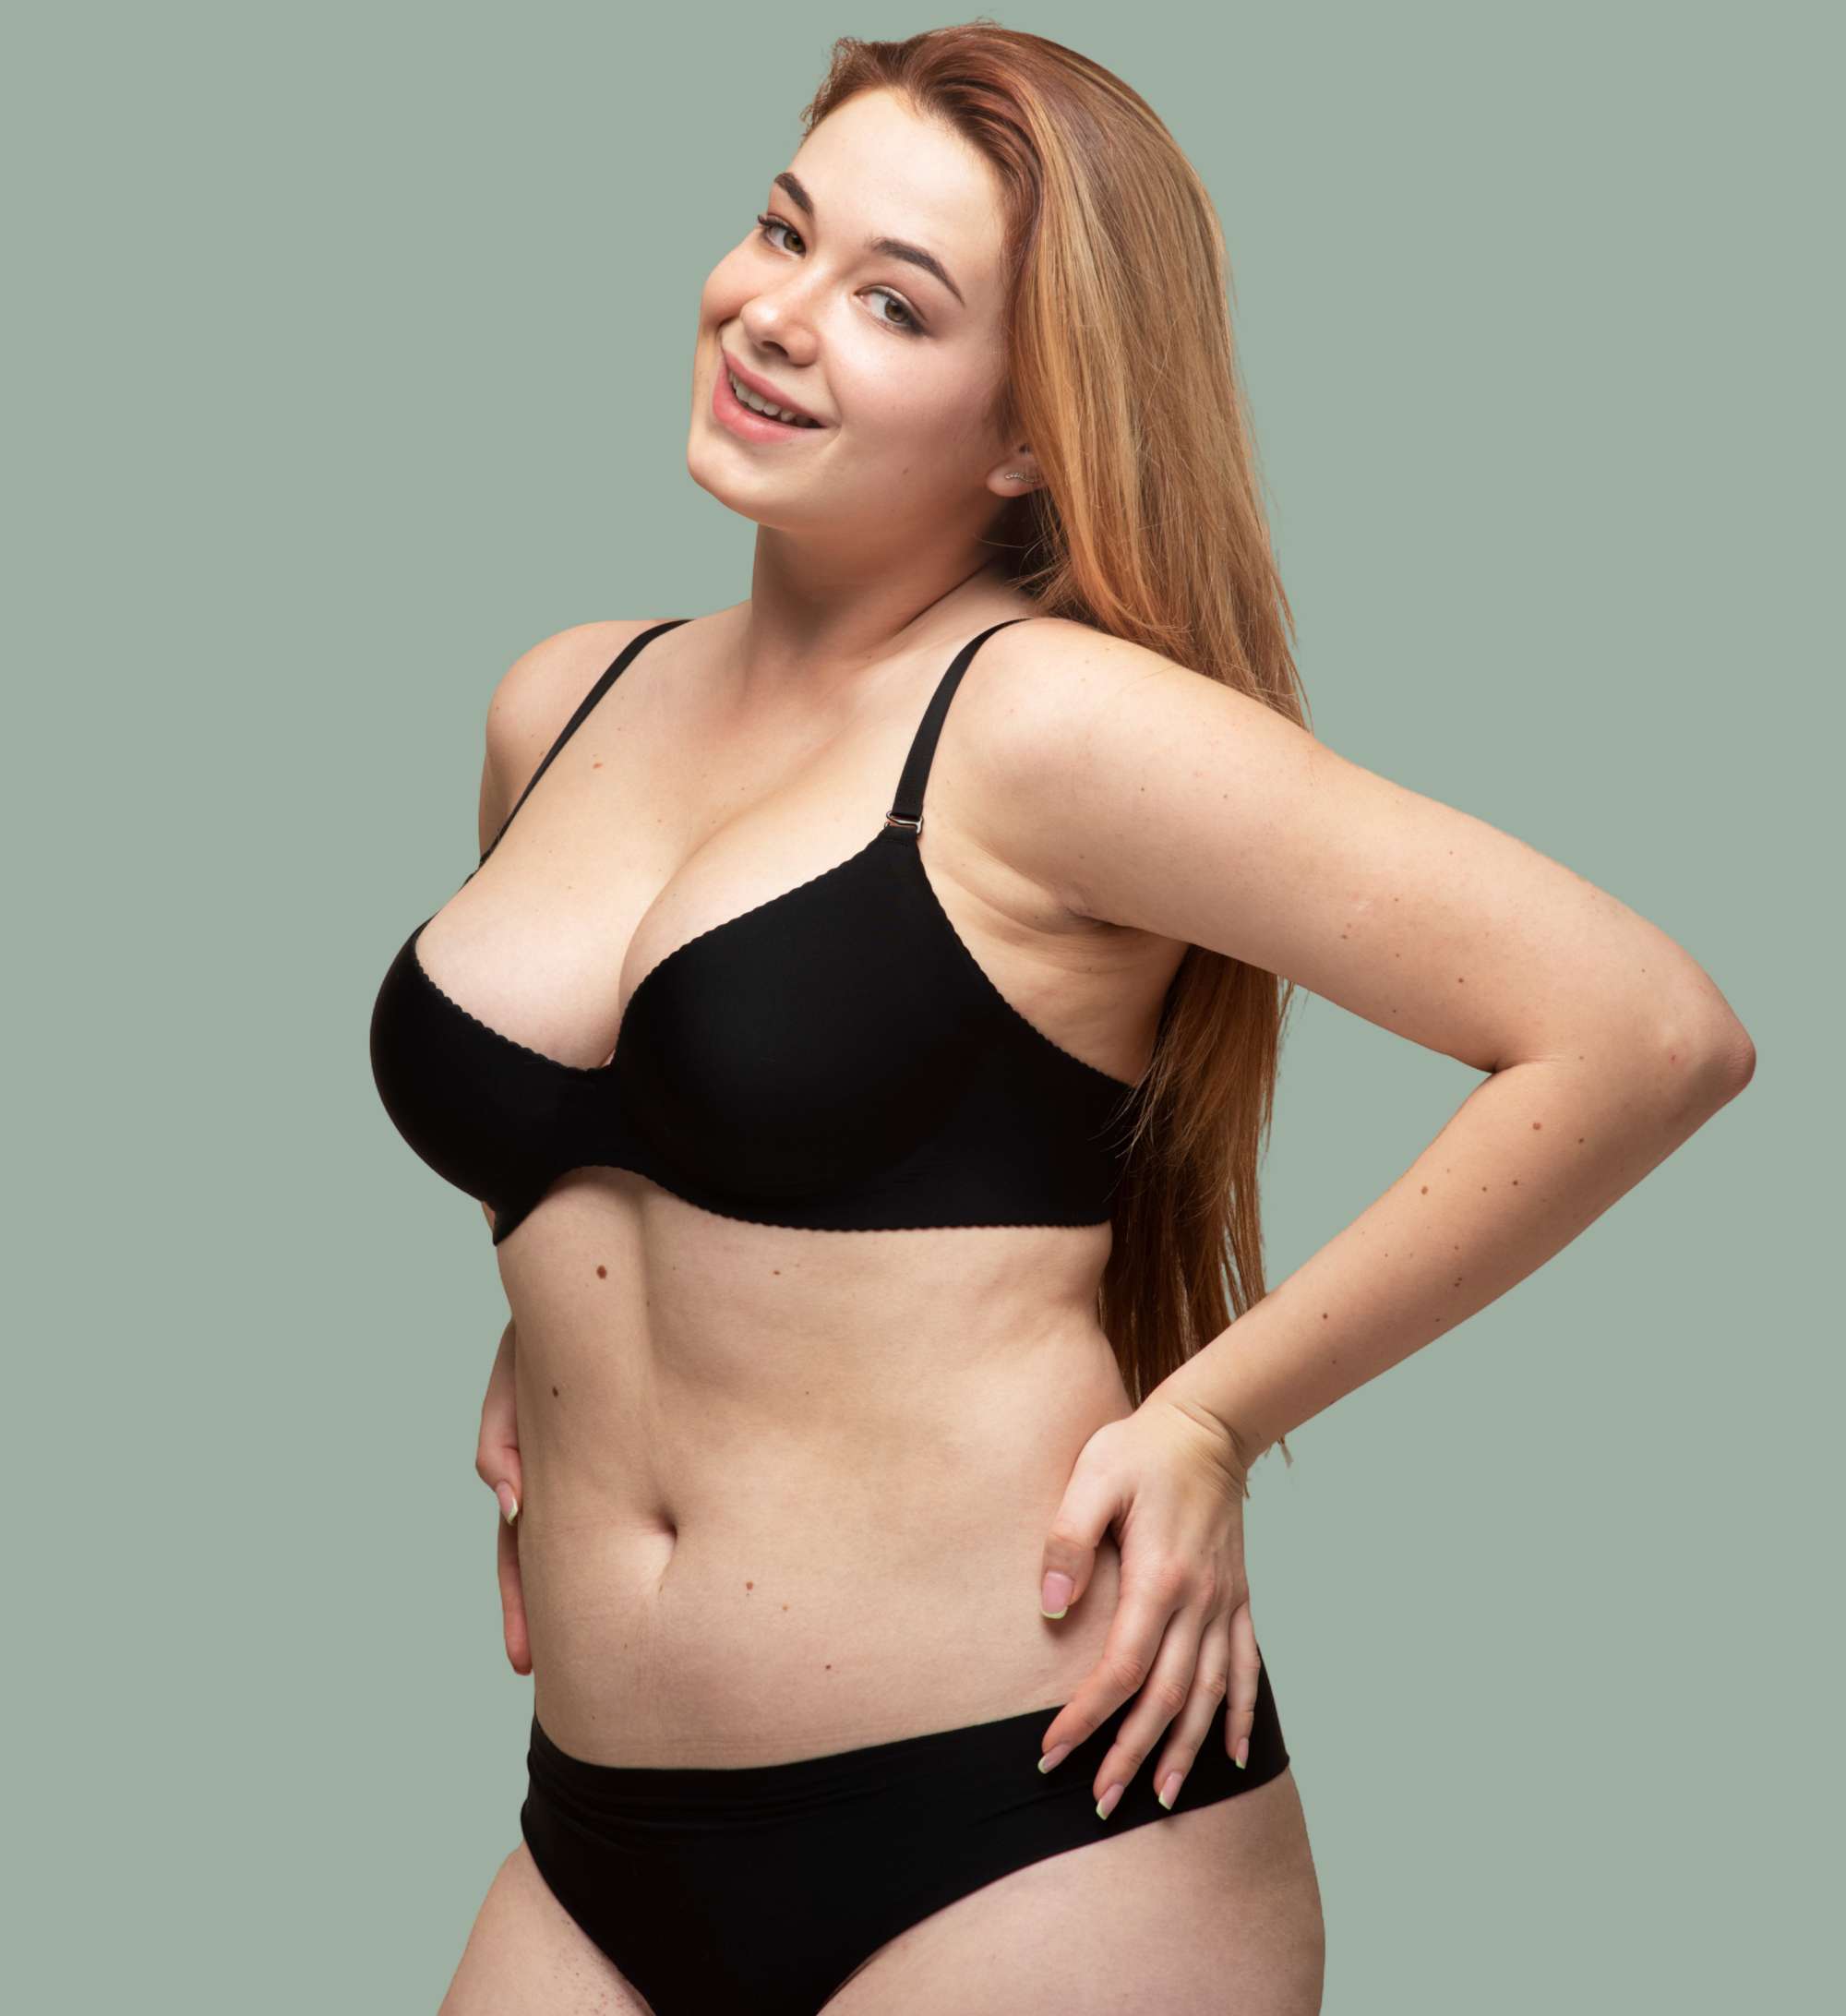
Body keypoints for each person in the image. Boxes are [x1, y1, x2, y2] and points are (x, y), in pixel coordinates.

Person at [369, 26, 1756, 2016]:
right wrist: (554, 1329)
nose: (775, 317)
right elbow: (634, 1139)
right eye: (782, 231)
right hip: (589, 1830)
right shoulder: (561, 701)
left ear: (1026, 430)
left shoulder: (1047, 730)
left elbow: (1641, 1028)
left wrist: (1211, 1412)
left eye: (892, 303)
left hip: (1027, 1820)